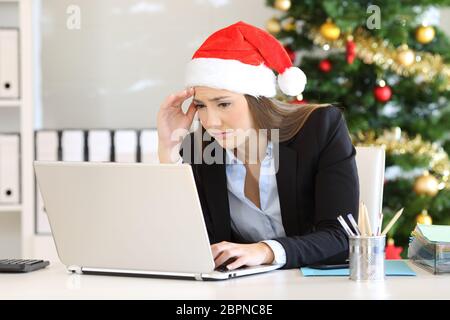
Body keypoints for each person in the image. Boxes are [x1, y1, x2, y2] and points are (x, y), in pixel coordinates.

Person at [157, 21, 359, 271]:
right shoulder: (199, 148)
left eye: (223, 104)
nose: (210, 121)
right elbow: (187, 242)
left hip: (315, 286)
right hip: (242, 290)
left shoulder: (320, 128)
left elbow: (341, 236)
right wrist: (168, 148)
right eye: (200, 106)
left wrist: (265, 251)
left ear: (256, 99)